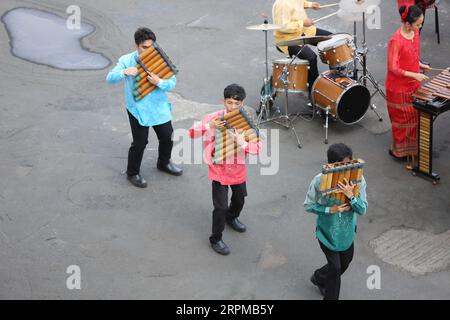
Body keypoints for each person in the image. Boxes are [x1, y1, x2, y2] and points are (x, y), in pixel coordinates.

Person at [189, 84, 262, 255]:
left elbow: (257, 148)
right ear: (224, 101)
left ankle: (232, 217)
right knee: (220, 207)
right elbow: (192, 133)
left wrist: (242, 142)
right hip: (219, 170)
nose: (232, 107)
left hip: (238, 170)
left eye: (237, 104)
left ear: (242, 104)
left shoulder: (247, 123)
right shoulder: (213, 117)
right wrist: (210, 127)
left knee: (239, 200)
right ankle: (216, 238)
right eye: (229, 103)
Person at [106, 27, 182, 188]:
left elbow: (172, 82)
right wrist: (124, 72)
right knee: (140, 143)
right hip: (137, 108)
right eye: (144, 47)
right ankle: (132, 173)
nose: (148, 51)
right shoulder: (126, 60)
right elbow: (110, 78)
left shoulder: (159, 59)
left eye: (151, 47)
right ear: (137, 45)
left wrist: (159, 82)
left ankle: (163, 163)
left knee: (167, 136)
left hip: (158, 107)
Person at [305, 143, 367, 300]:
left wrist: (351, 196)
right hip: (327, 233)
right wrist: (330, 210)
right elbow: (308, 205)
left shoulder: (359, 180)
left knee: (344, 264)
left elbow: (362, 209)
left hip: (346, 234)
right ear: (332, 165)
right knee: (336, 268)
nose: (347, 169)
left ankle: (319, 277)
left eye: (349, 163)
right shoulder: (320, 181)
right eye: (343, 165)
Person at [385, 5, 430, 168]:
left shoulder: (415, 33)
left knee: (415, 118)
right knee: (401, 121)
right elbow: (393, 68)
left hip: (413, 84)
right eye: (418, 24)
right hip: (398, 88)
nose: (420, 27)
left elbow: (412, 54)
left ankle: (412, 150)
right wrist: (414, 74)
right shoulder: (395, 41)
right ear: (407, 24)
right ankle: (399, 151)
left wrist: (420, 64)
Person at [272, 0, 332, 96]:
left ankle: (335, 77)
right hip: (288, 39)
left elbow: (299, 3)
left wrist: (310, 5)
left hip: (306, 31)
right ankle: (314, 93)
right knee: (311, 58)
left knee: (332, 40)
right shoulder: (281, 4)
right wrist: (302, 23)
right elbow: (282, 26)